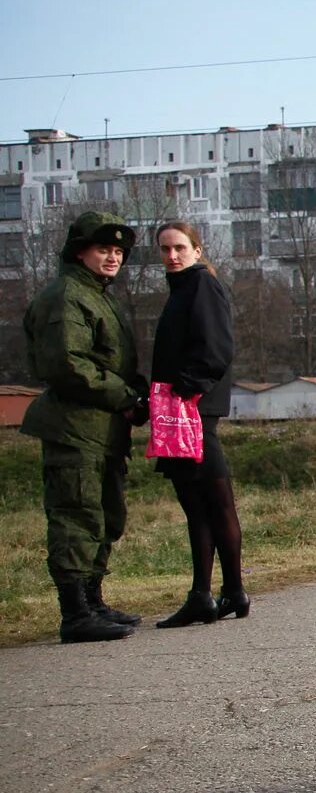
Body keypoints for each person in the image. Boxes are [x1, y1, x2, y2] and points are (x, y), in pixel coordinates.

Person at [21, 211, 146, 643]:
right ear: (80, 252)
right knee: (76, 515)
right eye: (103, 249)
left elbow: (110, 359)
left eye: (117, 251)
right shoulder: (66, 296)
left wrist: (139, 392)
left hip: (102, 429)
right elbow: (68, 365)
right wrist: (126, 396)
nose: (112, 258)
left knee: (105, 516)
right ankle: (75, 614)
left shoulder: (97, 293)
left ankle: (93, 601)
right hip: (73, 429)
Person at [149, 222, 247, 627]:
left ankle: (233, 590)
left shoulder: (202, 285)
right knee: (196, 505)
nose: (172, 256)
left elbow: (217, 347)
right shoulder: (182, 289)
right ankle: (203, 595)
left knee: (215, 501)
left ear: (197, 249)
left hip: (193, 411)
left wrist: (186, 389)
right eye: (165, 249)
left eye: (179, 248)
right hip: (179, 411)